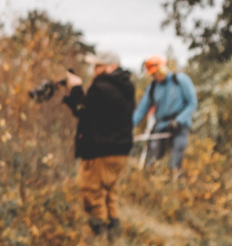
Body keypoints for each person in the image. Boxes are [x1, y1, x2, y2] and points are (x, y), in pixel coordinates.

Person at [62, 51, 136, 236]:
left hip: (100, 151)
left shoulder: (102, 88)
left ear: (110, 67)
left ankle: (101, 236)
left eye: (98, 66)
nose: (94, 70)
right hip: (120, 151)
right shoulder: (125, 86)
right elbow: (96, 111)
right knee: (110, 193)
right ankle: (114, 234)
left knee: (92, 192)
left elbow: (83, 110)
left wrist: (77, 88)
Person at [132, 55, 197, 172]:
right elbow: (142, 109)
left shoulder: (181, 80)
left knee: (175, 160)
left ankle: (175, 183)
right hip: (161, 126)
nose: (154, 76)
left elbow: (192, 103)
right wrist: (128, 126)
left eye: (155, 73)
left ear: (163, 68)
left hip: (179, 127)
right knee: (152, 160)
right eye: (152, 74)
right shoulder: (153, 87)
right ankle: (151, 184)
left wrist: (179, 120)